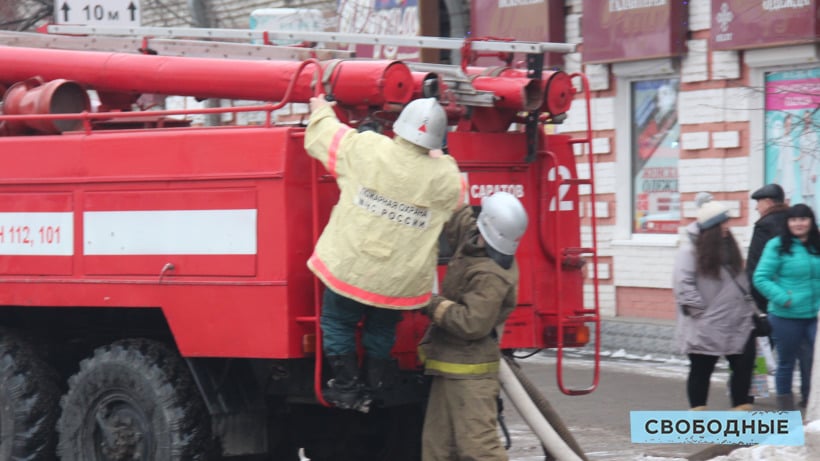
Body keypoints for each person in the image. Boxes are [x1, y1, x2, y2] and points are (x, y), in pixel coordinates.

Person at [304, 95, 465, 411]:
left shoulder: (367, 149)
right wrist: (437, 155)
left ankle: (348, 388)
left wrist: (320, 107)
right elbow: (458, 195)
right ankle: (377, 385)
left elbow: (324, 137)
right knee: (381, 328)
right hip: (400, 281)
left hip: (352, 268)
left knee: (337, 322)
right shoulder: (444, 176)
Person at [419, 191, 528, 461]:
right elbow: (460, 218)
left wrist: (431, 303)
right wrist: (441, 165)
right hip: (448, 368)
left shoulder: (492, 273)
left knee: (479, 449)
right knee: (438, 449)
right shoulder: (475, 243)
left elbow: (472, 323)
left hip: (470, 377)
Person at [673, 201, 756, 410]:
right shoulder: (689, 251)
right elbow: (683, 285)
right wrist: (701, 315)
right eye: (723, 223)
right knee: (702, 370)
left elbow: (740, 283)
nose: (727, 227)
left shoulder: (730, 248)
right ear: (711, 228)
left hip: (737, 321)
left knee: (744, 367)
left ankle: (741, 418)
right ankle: (699, 419)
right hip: (705, 324)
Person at [753, 203, 820, 410]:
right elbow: (760, 277)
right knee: (786, 362)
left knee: (813, 362)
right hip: (786, 316)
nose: (798, 224)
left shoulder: (816, 245)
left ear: (811, 221)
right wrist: (784, 298)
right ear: (787, 222)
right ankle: (785, 406)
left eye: (803, 219)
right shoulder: (777, 245)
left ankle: (811, 403)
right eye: (794, 219)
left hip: (814, 315)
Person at [747, 183, 789, 314]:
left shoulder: (763, 226)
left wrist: (754, 298)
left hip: (768, 296)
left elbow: (755, 263)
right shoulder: (792, 221)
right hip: (790, 292)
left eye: (758, 203)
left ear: (768, 202)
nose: (756, 208)